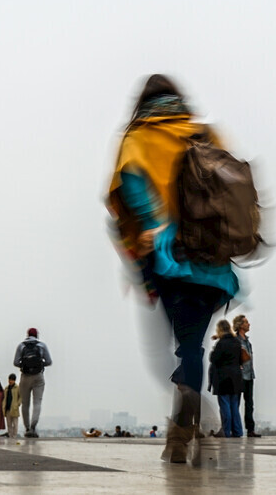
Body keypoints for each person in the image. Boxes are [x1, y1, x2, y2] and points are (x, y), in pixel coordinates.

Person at [107, 75, 242, 463]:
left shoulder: (138, 138)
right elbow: (232, 187)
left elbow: (127, 192)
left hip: (169, 260)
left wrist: (151, 228)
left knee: (170, 352)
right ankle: (190, 420)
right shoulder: (204, 133)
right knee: (191, 348)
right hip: (214, 262)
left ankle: (183, 424)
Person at [13, 328, 53, 438]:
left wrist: (25, 365)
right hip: (38, 377)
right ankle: (33, 426)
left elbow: (16, 362)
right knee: (37, 402)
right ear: (37, 335)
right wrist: (40, 364)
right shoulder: (42, 346)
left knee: (25, 403)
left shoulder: (21, 346)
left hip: (25, 377)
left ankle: (26, 428)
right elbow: (49, 361)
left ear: (27, 334)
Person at [209, 319, 244, 438]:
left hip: (223, 378)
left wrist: (214, 349)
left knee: (225, 405)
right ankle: (238, 431)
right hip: (236, 378)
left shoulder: (221, 343)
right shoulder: (237, 342)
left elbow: (214, 359)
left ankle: (226, 431)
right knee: (235, 406)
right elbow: (241, 360)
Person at [232, 315, 261, 438]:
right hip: (240, 376)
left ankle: (250, 429)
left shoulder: (248, 342)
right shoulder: (236, 341)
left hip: (249, 375)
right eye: (246, 322)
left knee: (249, 403)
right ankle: (236, 429)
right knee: (236, 402)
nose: (249, 324)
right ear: (240, 325)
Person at [3, 374, 21, 438]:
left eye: (11, 380)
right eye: (9, 380)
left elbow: (21, 397)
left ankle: (14, 436)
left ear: (14, 380)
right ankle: (10, 436)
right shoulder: (6, 388)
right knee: (9, 424)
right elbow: (4, 398)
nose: (10, 381)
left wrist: (18, 404)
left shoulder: (17, 387)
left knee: (15, 424)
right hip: (7, 408)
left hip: (14, 408)